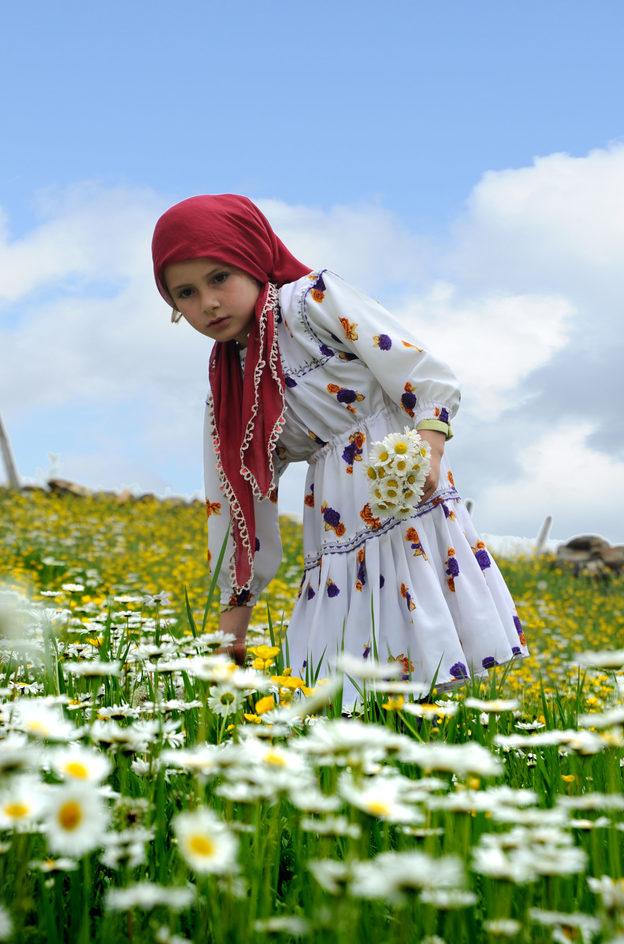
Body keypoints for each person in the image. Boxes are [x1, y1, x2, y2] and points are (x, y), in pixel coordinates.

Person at [151, 194, 529, 704]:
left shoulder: (311, 303)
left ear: (254, 258)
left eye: (220, 277)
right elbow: (236, 508)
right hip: (335, 525)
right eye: (186, 293)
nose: (208, 303)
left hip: (400, 488)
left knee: (424, 653)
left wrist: (429, 450)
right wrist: (230, 637)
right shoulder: (229, 392)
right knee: (346, 686)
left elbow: (418, 370)